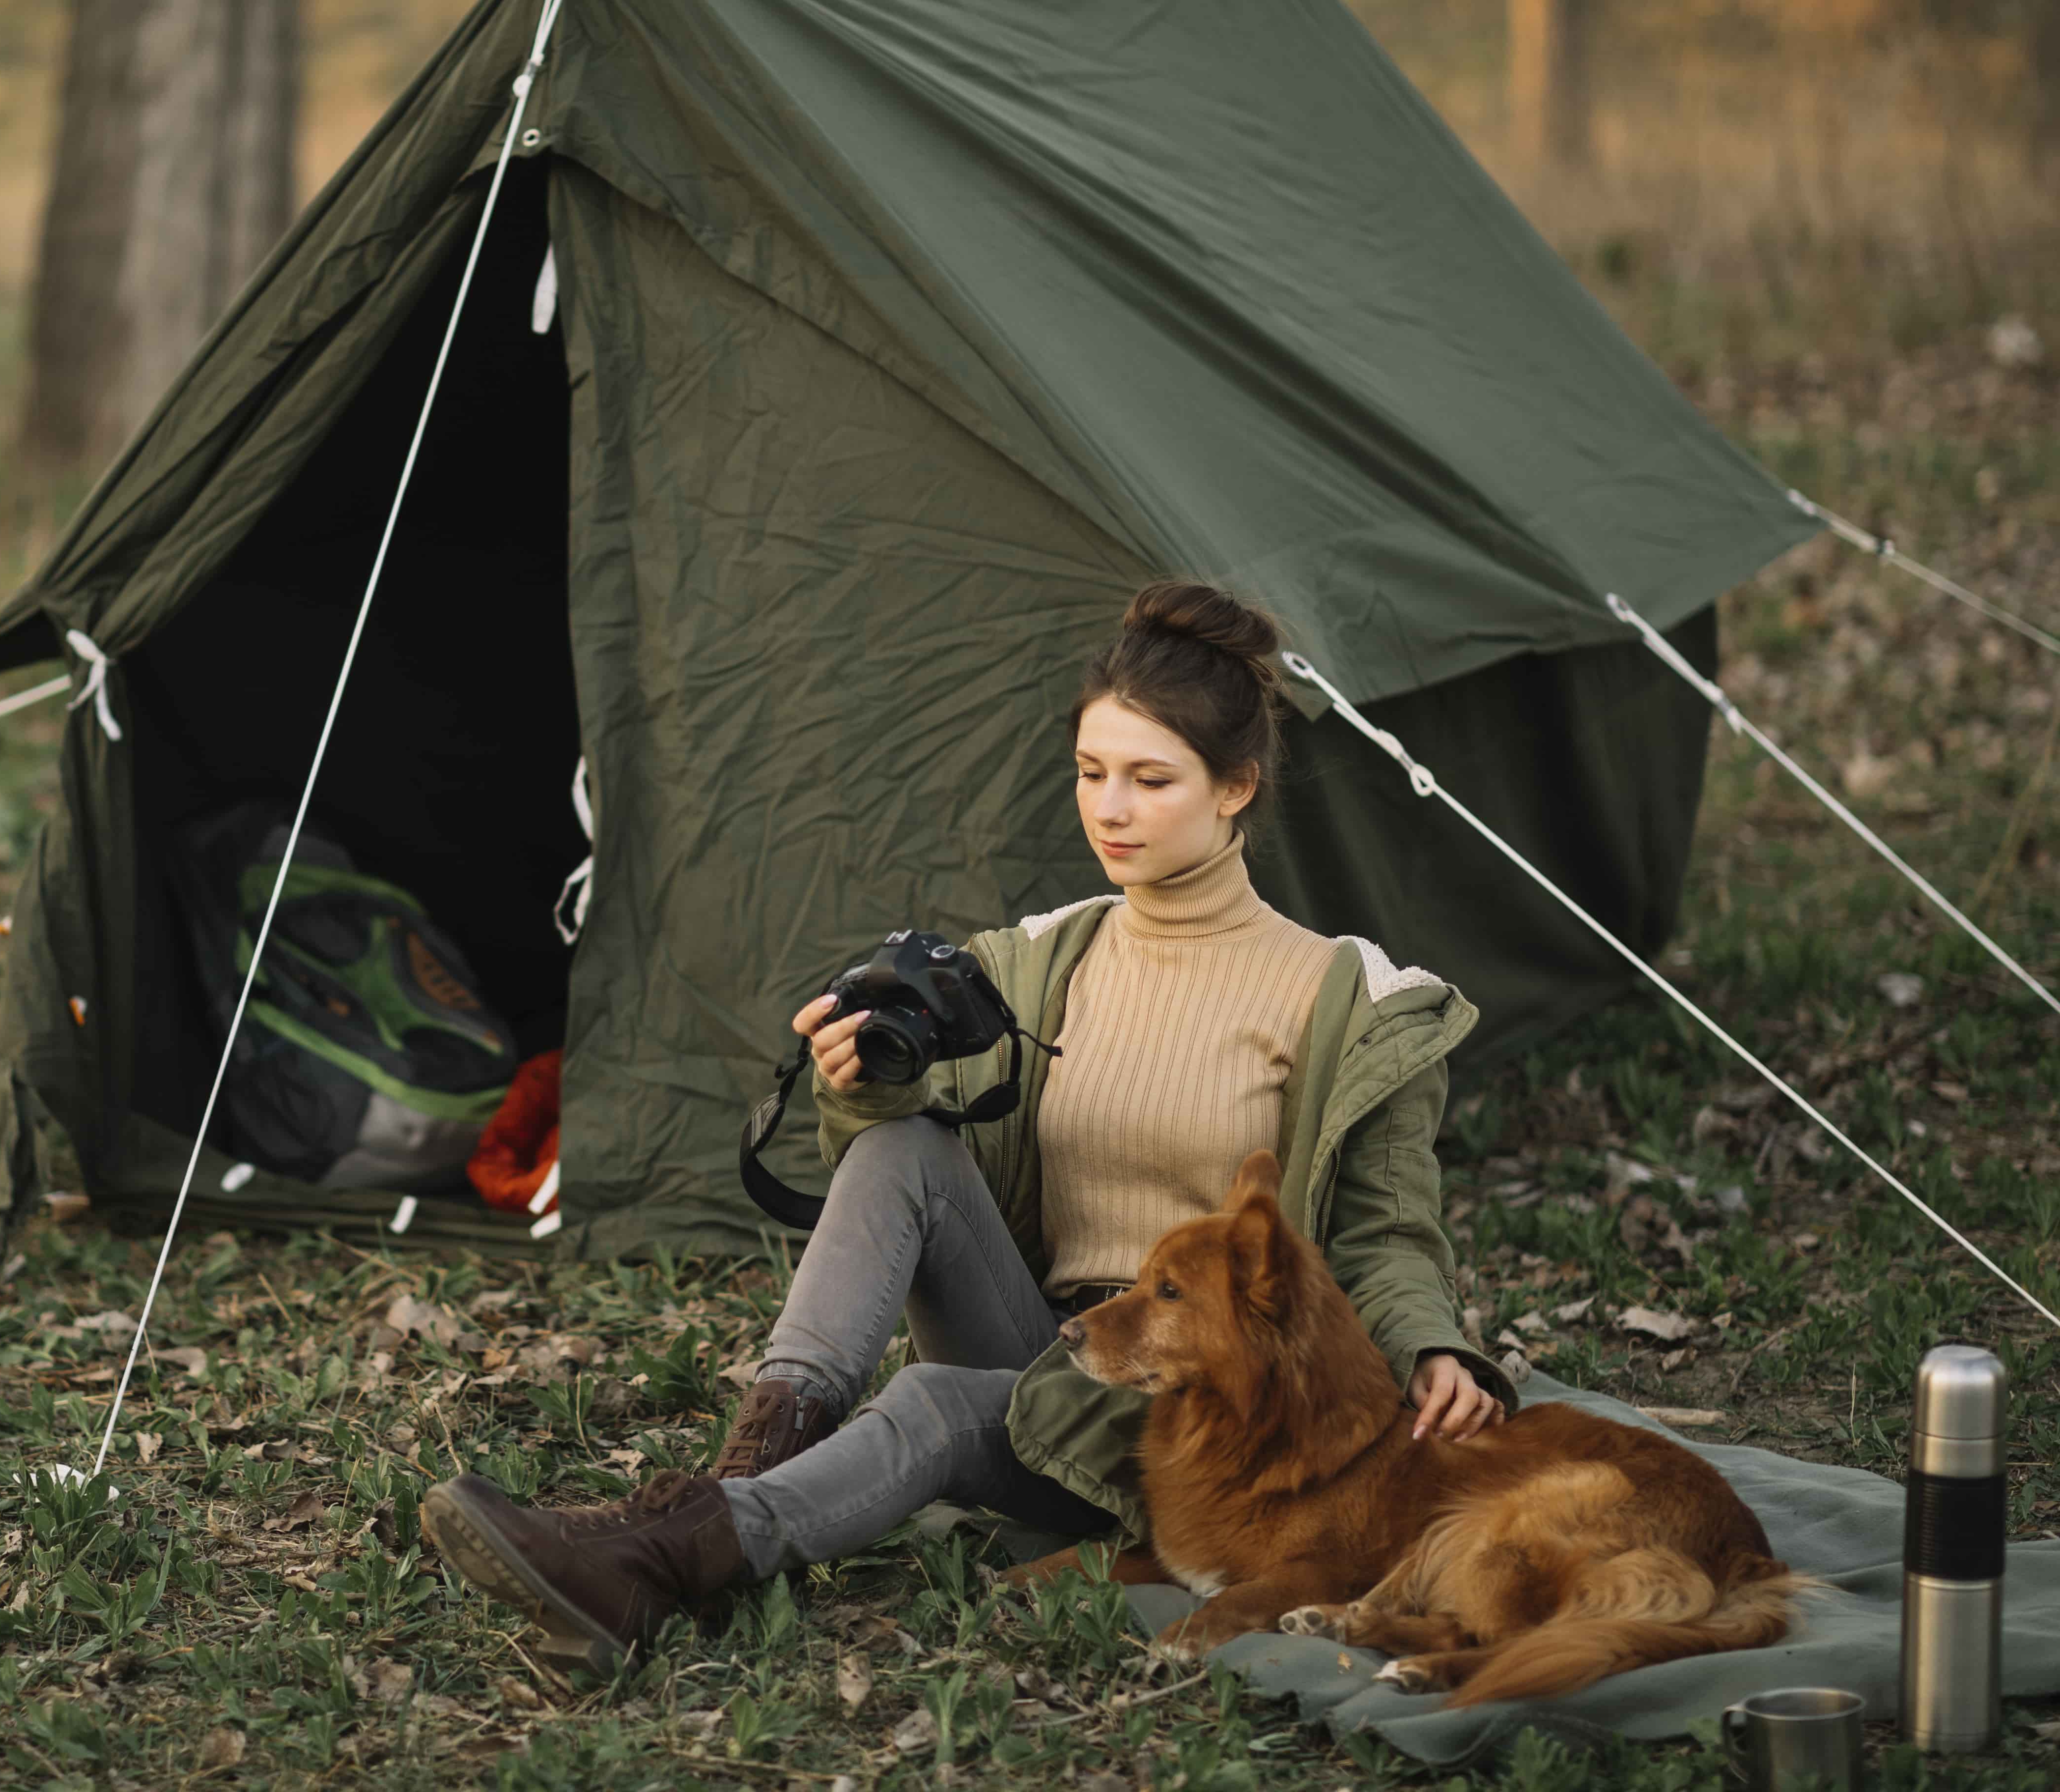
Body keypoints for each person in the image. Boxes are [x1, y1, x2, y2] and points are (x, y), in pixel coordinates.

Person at [420, 581, 1514, 1668]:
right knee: (903, 1146)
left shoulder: (1346, 998)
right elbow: (921, 1175)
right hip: (1048, 1346)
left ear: (1235, 786)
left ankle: (659, 1561)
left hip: (1198, 1408)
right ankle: (712, 1500)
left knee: (939, 1404)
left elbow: (1383, 1230)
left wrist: (1432, 1344)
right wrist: (860, 1082)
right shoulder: (1046, 958)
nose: (1110, 810)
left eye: (1150, 779)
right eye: (1091, 773)